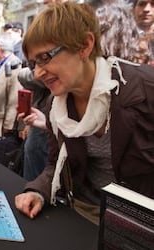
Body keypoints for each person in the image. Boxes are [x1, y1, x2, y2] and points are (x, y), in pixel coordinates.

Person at [14, 2, 154, 225]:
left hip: (138, 227)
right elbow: (55, 164)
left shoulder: (145, 89)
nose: (38, 73)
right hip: (82, 215)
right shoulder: (55, 106)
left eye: (45, 57)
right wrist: (38, 191)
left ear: (84, 46)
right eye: (33, 63)